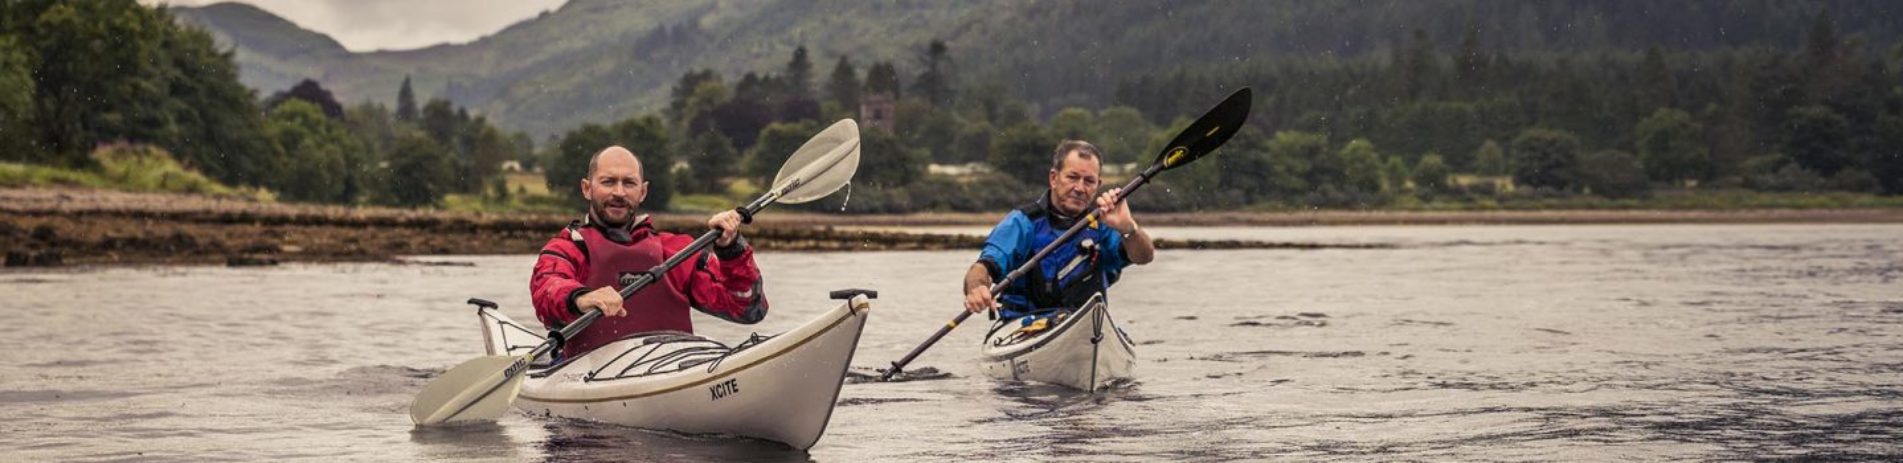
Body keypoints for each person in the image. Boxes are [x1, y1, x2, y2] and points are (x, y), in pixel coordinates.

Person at [530, 146, 768, 359]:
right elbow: (547, 289)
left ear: (642, 192)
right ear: (587, 188)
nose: (620, 192)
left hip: (670, 372)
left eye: (629, 183)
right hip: (587, 374)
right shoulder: (567, 247)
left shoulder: (676, 252)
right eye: (608, 181)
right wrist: (580, 298)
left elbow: (747, 309)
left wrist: (731, 247)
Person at [963, 140, 1155, 325]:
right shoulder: (1021, 223)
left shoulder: (1103, 225)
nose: (1080, 188)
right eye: (1072, 177)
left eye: (1089, 181)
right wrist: (977, 288)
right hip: (1023, 326)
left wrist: (1129, 228)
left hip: (1088, 325)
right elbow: (982, 267)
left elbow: (1144, 257)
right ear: (1054, 178)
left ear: (1098, 184)